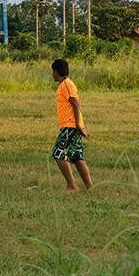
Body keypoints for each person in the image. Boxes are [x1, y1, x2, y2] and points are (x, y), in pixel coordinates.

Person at [50, 59, 92, 193]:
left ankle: (72, 185)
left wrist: (78, 125)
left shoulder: (66, 84)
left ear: (56, 71)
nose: (52, 74)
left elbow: (75, 104)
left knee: (58, 154)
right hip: (73, 125)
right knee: (77, 157)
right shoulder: (67, 84)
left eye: (53, 71)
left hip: (70, 126)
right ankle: (90, 186)